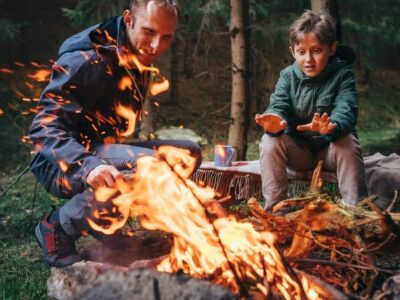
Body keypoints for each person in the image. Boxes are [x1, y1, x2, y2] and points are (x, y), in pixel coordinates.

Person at [29, 0, 202, 267]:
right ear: (129, 19)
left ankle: (104, 223)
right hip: (62, 162)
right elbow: (44, 129)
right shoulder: (88, 58)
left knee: (188, 153)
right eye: (149, 32)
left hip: (100, 147)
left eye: (166, 37)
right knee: (149, 166)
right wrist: (88, 166)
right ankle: (57, 227)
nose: (157, 46)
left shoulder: (133, 49)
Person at [255, 10, 368, 210]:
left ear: (332, 49)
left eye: (316, 51)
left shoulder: (343, 76)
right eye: (301, 52)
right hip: (298, 153)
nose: (308, 59)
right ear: (293, 51)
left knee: (348, 140)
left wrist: (332, 127)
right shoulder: (287, 76)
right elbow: (279, 104)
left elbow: (346, 108)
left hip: (329, 152)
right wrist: (275, 121)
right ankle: (276, 209)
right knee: (269, 141)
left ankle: (356, 211)